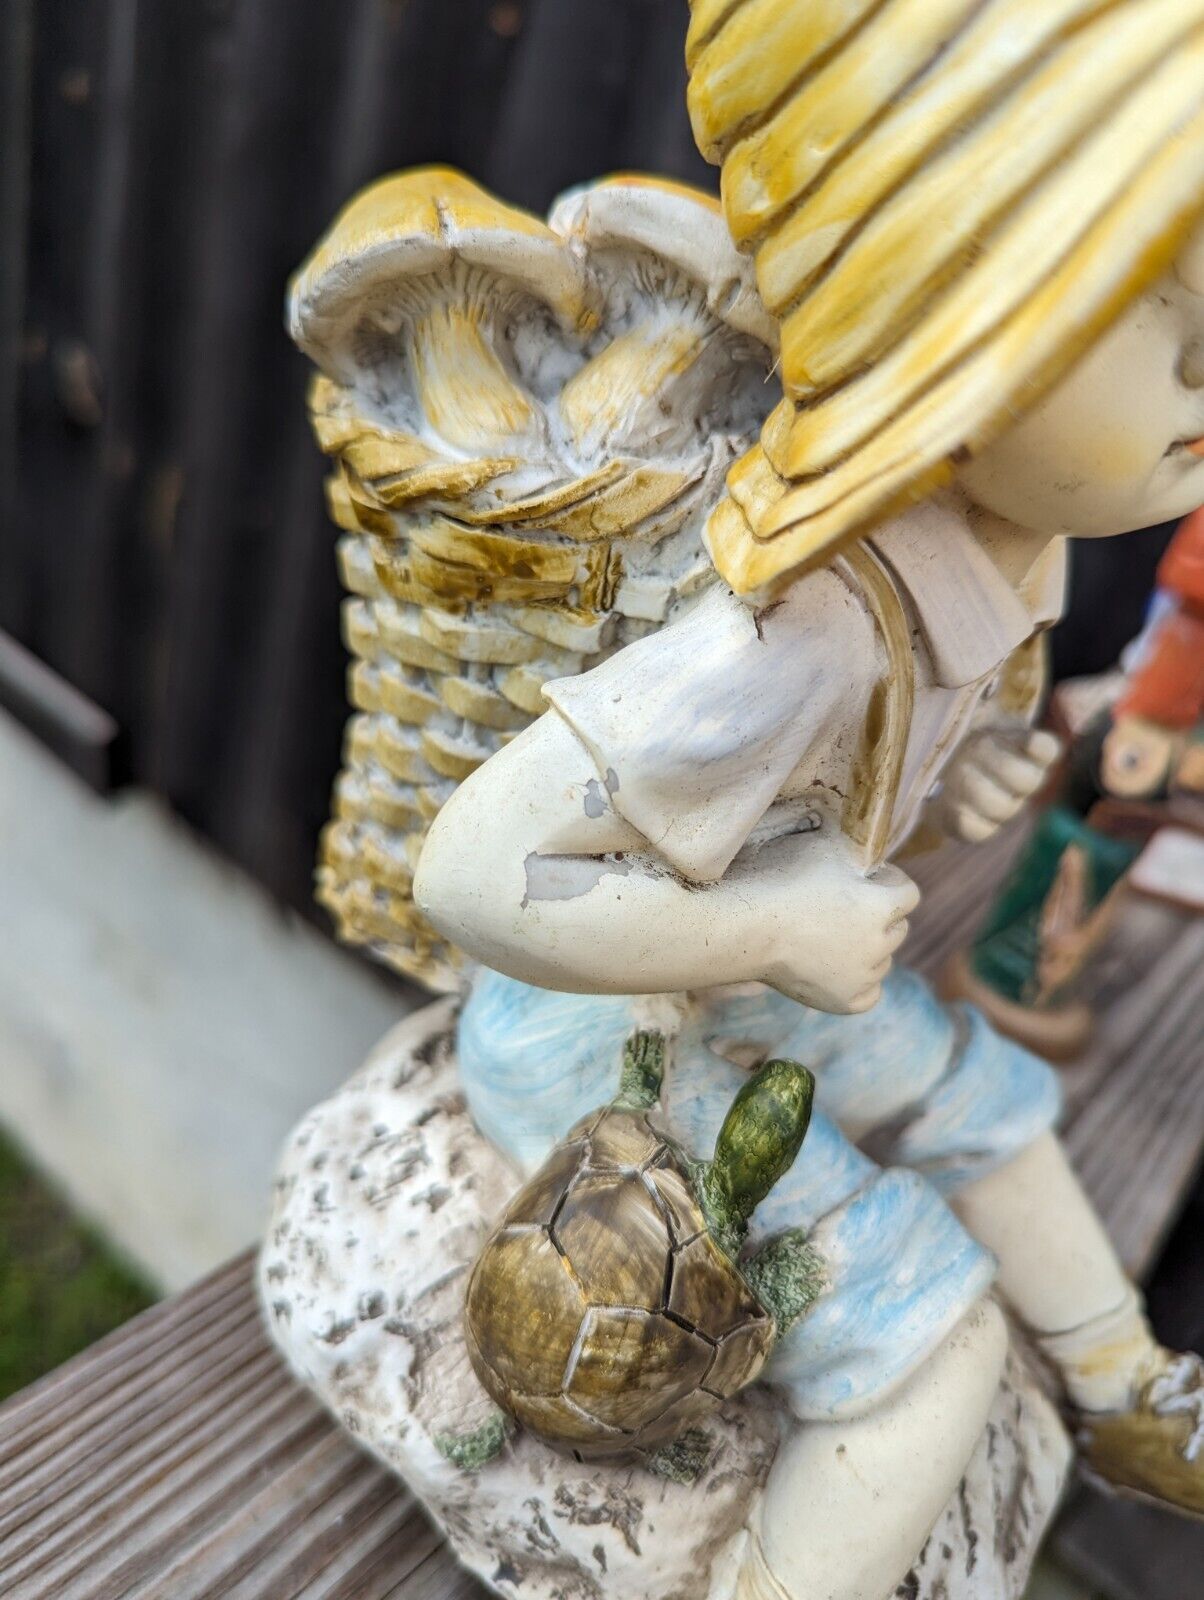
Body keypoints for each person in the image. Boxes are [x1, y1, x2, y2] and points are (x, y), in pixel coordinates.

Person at [408, 6, 1204, 1595]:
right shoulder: (789, 629)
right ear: (941, 320)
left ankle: (1125, 1391)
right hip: (603, 1027)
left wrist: (957, 770)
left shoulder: (1006, 553)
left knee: (982, 1100)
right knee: (934, 1355)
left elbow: (906, 744)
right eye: (1169, 305)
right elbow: (469, 870)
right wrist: (774, 921)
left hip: (754, 968)